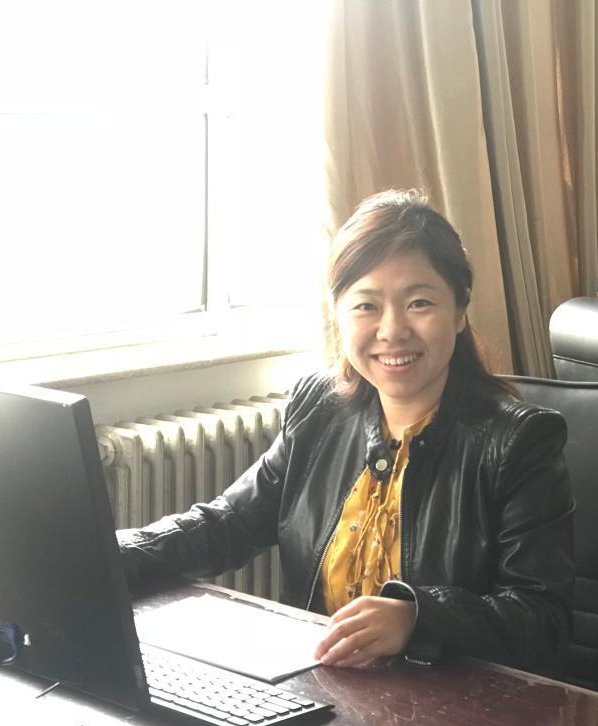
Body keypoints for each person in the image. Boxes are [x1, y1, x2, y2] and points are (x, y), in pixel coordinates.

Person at [117, 189, 574, 675]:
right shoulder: (320, 409)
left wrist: (419, 617)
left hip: (450, 701)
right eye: (366, 306)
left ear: (460, 311)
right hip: (323, 685)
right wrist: (121, 555)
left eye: (419, 303)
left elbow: (542, 619)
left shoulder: (519, 442)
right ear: (338, 313)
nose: (392, 330)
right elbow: (228, 524)